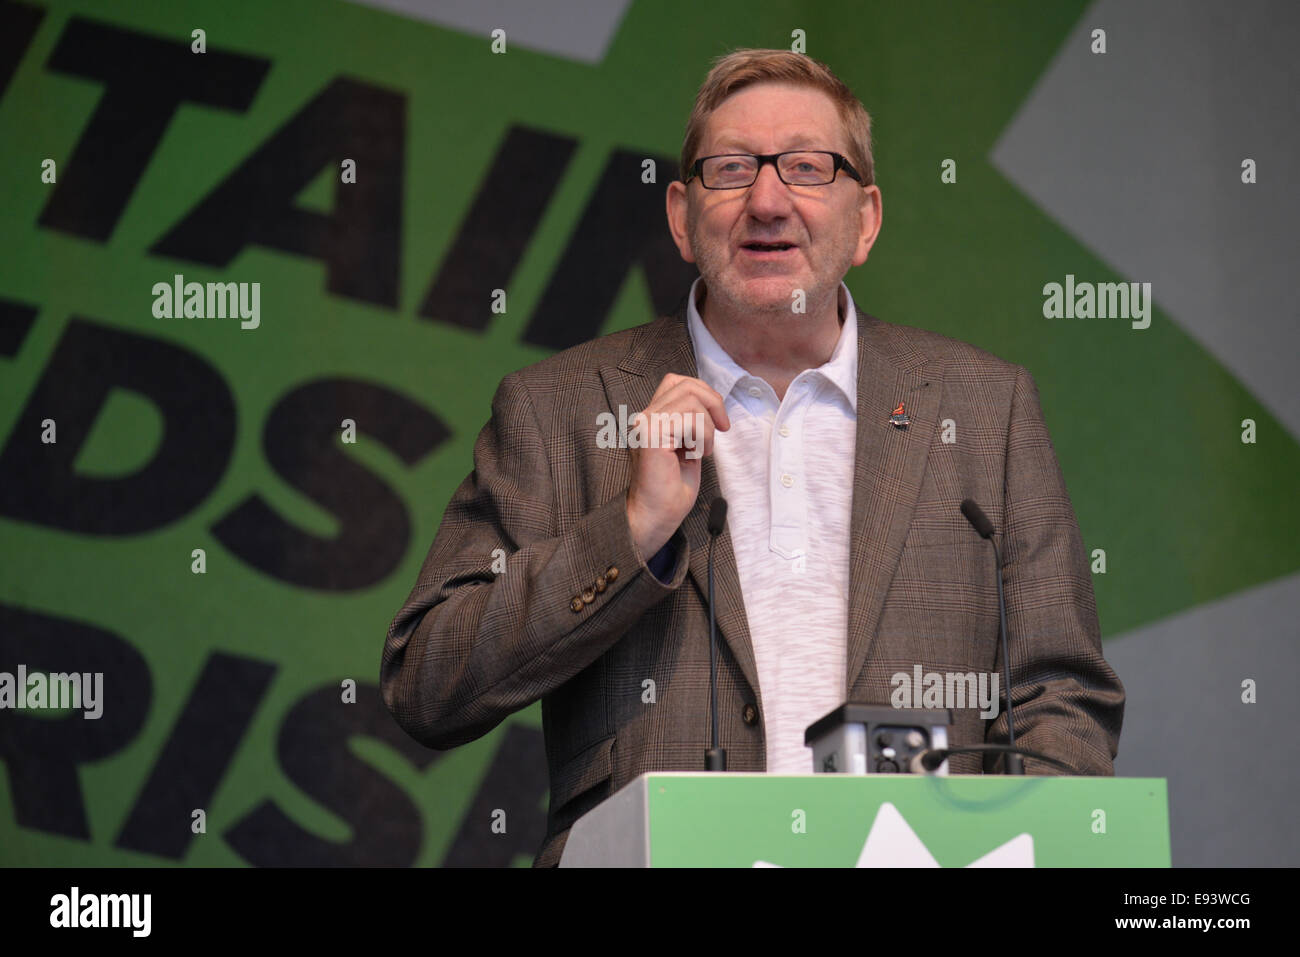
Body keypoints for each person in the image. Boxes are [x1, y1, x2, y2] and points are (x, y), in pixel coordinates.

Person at [381, 48, 1125, 868]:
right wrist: (631, 533)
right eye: (731, 169)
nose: (767, 201)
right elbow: (427, 684)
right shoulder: (560, 408)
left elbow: (1063, 698)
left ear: (867, 218)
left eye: (808, 167)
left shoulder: (985, 408)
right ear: (680, 215)